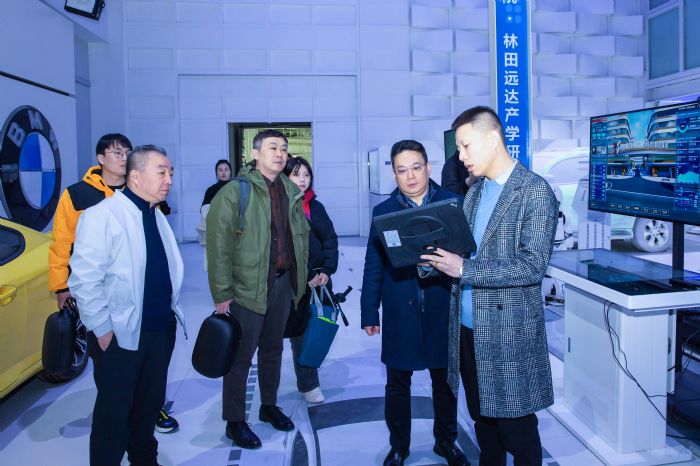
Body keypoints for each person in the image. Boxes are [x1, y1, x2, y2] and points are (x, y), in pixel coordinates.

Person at [421, 106, 558, 466]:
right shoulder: (475, 193)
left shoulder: (534, 192)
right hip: (467, 331)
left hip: (507, 333)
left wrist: (464, 268)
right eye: (459, 148)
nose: (460, 156)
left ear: (493, 138)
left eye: (466, 146)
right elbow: (462, 254)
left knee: (518, 433)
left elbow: (531, 266)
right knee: (484, 427)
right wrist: (431, 259)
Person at [48, 133, 179, 433]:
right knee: (114, 384)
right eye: (117, 153)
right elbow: (62, 243)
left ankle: (150, 411)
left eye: (127, 152)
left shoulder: (147, 200)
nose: (123, 157)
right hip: (107, 306)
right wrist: (61, 286)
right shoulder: (80, 196)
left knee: (149, 380)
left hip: (148, 313)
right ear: (101, 158)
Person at [361, 140, 470, 466]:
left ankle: (446, 442)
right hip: (400, 309)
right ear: (394, 174)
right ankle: (399, 446)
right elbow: (373, 265)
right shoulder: (384, 212)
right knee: (397, 384)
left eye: (416, 168)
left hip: (442, 306)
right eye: (401, 170)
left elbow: (468, 253)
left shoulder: (452, 203)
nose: (410, 176)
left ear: (427, 167)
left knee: (445, 383)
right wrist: (369, 311)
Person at [207, 129, 310, 449]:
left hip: (283, 283)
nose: (280, 154)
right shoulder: (235, 192)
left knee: (272, 350)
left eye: (284, 148)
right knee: (241, 356)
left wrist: (301, 280)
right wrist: (222, 292)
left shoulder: (290, 190)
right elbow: (218, 245)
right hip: (247, 287)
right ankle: (234, 420)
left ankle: (268, 406)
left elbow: (301, 238)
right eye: (272, 147)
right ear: (255, 153)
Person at [283, 156, 338, 404]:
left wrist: (327, 269)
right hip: (294, 281)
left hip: (321, 280)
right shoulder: (279, 207)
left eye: (306, 175)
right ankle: (308, 384)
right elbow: (285, 248)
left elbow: (330, 239)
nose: (302, 180)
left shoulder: (316, 206)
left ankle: (308, 380)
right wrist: (307, 274)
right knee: (299, 333)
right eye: (296, 174)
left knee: (317, 328)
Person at [197, 159, 233, 269]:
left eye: (226, 169)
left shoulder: (236, 187)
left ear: (230, 171)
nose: (223, 172)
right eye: (220, 170)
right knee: (217, 266)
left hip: (234, 231)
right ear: (216, 172)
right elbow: (203, 210)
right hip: (216, 232)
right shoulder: (211, 190)